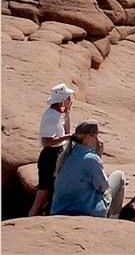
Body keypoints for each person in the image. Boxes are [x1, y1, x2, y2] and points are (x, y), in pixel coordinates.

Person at [51, 119, 126, 218]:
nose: (97, 140)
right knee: (119, 176)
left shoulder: (65, 154)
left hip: (60, 209)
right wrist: (99, 158)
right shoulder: (91, 159)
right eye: (95, 136)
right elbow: (103, 187)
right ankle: (113, 219)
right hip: (87, 210)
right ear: (87, 137)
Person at [28, 83, 75, 216]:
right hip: (50, 156)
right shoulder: (51, 115)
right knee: (43, 193)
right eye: (68, 97)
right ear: (62, 99)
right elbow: (46, 141)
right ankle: (30, 217)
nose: (70, 99)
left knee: (53, 190)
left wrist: (67, 114)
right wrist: (67, 137)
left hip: (57, 153)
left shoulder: (58, 114)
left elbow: (66, 131)